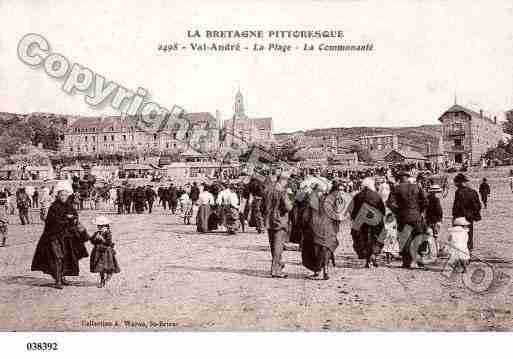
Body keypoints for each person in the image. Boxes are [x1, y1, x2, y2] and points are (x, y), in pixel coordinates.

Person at [31, 181, 90, 289]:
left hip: (67, 236)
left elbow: (76, 218)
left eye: (65, 194)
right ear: (57, 195)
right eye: (61, 195)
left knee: (66, 257)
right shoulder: (54, 207)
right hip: (53, 236)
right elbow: (51, 221)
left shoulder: (70, 206)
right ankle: (57, 280)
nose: (64, 197)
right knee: (57, 257)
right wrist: (66, 220)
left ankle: (62, 277)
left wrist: (74, 219)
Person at [301, 181, 341, 280]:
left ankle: (317, 271)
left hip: (314, 229)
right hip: (328, 229)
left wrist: (304, 226)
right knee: (326, 249)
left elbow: (305, 217)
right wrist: (335, 228)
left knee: (315, 250)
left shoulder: (311, 201)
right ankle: (326, 270)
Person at [387, 171, 428, 269]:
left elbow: (389, 203)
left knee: (405, 239)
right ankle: (420, 260)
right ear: (407, 177)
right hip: (417, 217)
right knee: (419, 237)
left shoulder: (397, 188)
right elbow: (425, 201)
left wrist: (397, 212)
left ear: (399, 179)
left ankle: (406, 262)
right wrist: (420, 211)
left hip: (403, 217)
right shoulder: (417, 187)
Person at [262, 172, 293, 278]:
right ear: (282, 180)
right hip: (280, 221)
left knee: (273, 246)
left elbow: (262, 206)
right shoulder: (282, 192)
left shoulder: (267, 191)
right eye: (287, 180)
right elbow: (288, 207)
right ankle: (275, 270)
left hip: (269, 221)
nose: (287, 182)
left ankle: (278, 265)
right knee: (278, 247)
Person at [350, 177, 386, 268]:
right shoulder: (376, 195)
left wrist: (354, 219)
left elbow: (352, 210)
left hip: (361, 221)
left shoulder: (358, 196)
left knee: (361, 238)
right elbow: (382, 209)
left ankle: (366, 258)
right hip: (375, 220)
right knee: (378, 237)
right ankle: (373, 255)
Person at [452, 173, 481, 253]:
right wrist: (473, 214)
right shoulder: (473, 192)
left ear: (460, 182)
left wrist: (455, 217)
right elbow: (478, 205)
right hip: (469, 217)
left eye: (456, 182)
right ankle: (469, 251)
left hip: (460, 217)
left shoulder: (458, 192)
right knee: (469, 234)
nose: (455, 184)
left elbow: (457, 206)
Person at [90, 216, 120, 288]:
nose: (99, 227)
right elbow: (92, 241)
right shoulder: (97, 232)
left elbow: (109, 242)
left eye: (100, 226)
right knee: (100, 267)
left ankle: (106, 279)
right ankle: (102, 280)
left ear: (105, 226)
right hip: (98, 252)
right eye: (98, 226)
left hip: (106, 252)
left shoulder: (108, 232)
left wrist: (102, 239)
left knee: (108, 267)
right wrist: (95, 238)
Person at [425, 184, 443, 254]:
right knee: (436, 236)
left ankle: (429, 250)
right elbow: (439, 211)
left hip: (428, 219)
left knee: (428, 236)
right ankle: (437, 250)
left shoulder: (426, 198)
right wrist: (440, 218)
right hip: (436, 220)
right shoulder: (436, 200)